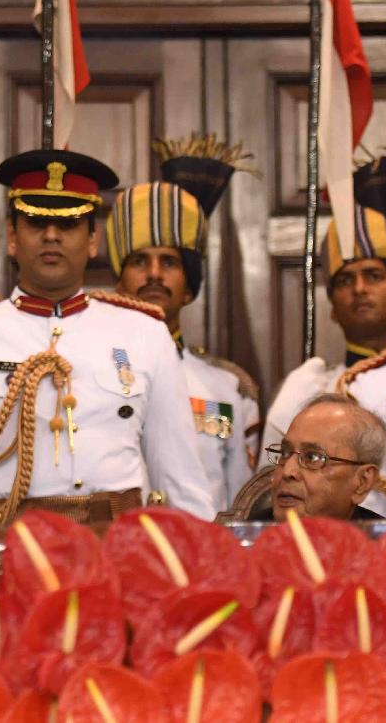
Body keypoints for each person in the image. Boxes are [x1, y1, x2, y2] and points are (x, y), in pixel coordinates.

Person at [0, 149, 219, 526]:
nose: (51, 236)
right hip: (6, 543)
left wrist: (201, 552)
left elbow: (181, 478)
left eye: (68, 223)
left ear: (92, 240)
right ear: (12, 237)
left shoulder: (145, 334)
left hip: (115, 543)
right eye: (36, 221)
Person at [107, 134, 260, 507]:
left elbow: (240, 504)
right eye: (139, 261)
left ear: (189, 289)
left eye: (169, 262)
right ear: (119, 282)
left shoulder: (227, 388)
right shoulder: (89, 371)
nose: (154, 274)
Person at [263, 153, 386, 516]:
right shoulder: (306, 386)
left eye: (374, 276)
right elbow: (267, 491)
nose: (359, 289)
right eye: (345, 280)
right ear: (332, 306)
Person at [254, 394, 386, 521]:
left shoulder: (383, 536)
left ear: (362, 482)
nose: (287, 472)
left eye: (313, 457)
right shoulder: (247, 533)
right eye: (285, 453)